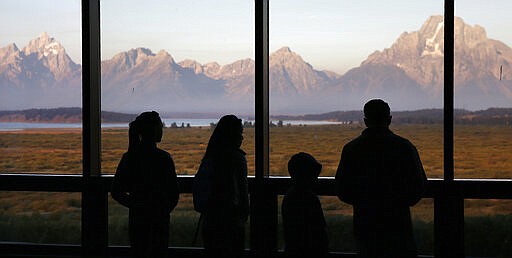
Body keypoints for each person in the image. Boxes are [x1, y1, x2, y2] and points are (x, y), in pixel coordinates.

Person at [335, 99, 427, 258]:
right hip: (398, 224)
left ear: (365, 121)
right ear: (389, 119)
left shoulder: (351, 149)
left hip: (365, 224)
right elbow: (419, 186)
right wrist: (398, 201)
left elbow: (342, 189)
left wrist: (363, 201)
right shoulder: (405, 147)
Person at [111, 111, 179, 258]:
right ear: (153, 130)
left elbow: (116, 191)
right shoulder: (163, 158)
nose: (162, 130)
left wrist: (136, 205)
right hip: (159, 220)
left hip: (137, 219)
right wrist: (163, 209)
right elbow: (174, 192)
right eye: (160, 126)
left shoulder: (130, 157)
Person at [201, 114, 249, 258]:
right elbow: (242, 190)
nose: (242, 137)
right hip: (231, 222)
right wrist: (243, 216)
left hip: (210, 222)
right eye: (240, 133)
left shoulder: (211, 156)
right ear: (232, 135)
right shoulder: (237, 158)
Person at [282, 152, 328, 258]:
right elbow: (319, 229)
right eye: (314, 176)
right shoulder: (310, 198)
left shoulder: (290, 196)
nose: (316, 179)